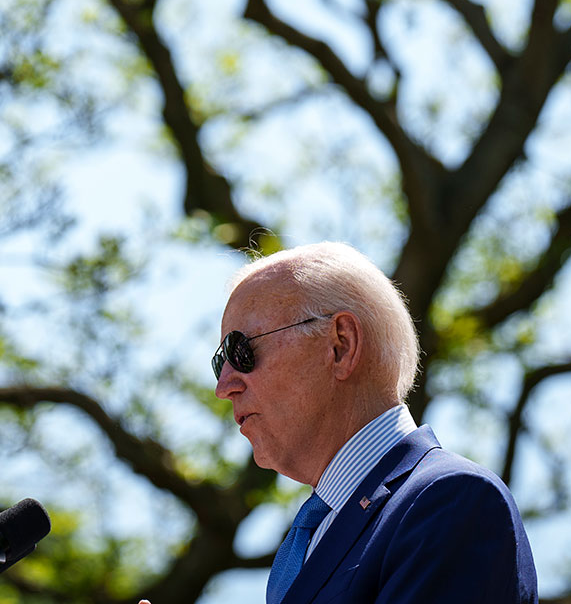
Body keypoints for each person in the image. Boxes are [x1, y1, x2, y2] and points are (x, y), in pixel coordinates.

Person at [143, 241, 537, 604]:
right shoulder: (313, 537)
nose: (224, 385)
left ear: (341, 345)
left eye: (241, 350)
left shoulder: (449, 500)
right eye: (219, 362)